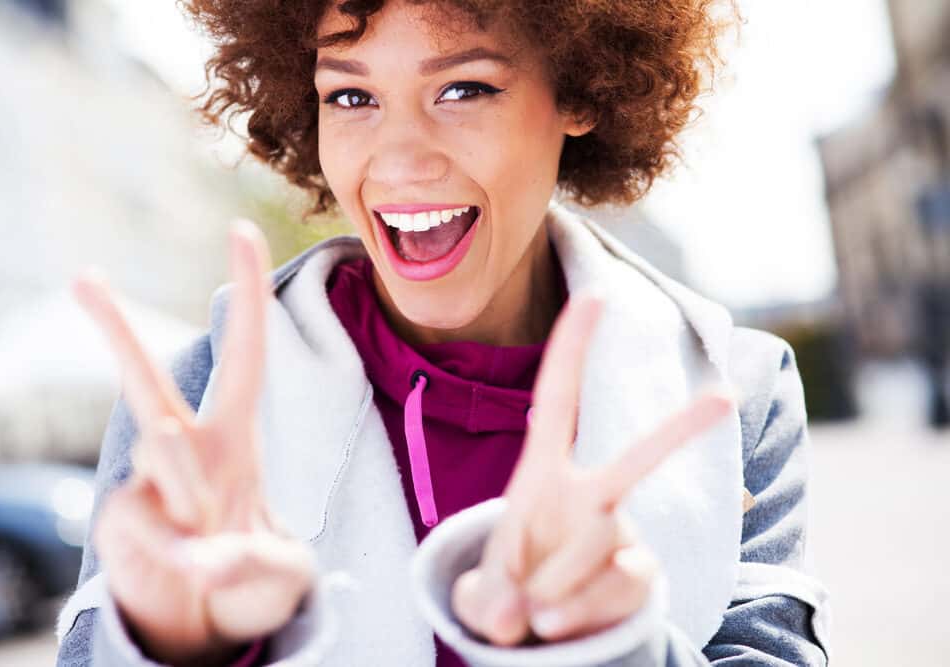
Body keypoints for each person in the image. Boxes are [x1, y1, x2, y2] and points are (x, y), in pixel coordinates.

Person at [55, 0, 831, 665]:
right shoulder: (193, 406)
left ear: (581, 91)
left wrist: (610, 641)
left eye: (464, 88)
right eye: (352, 98)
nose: (398, 162)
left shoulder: (734, 390)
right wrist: (179, 642)